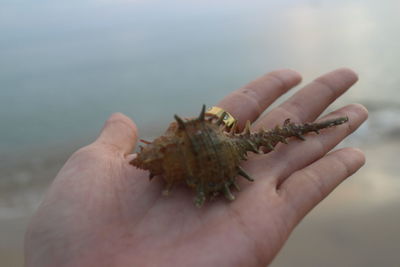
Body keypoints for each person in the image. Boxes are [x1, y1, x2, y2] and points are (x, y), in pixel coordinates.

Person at [24, 68, 368, 267]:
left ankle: (316, 126)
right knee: (285, 132)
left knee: (288, 131)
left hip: (219, 151)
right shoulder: (184, 158)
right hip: (217, 152)